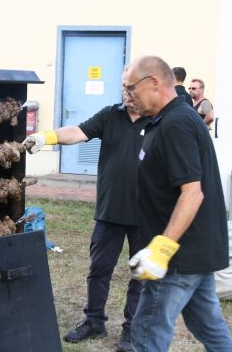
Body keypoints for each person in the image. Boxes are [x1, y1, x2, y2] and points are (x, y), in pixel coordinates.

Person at [22, 84, 150, 352]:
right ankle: (94, 321)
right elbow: (77, 132)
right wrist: (46, 137)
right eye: (124, 88)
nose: (126, 93)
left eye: (132, 88)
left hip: (146, 213)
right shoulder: (111, 115)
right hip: (110, 211)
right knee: (99, 269)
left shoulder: (159, 119)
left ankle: (133, 329)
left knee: (141, 274)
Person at [122, 56, 232, 352]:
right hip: (195, 250)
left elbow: (192, 193)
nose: (128, 96)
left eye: (131, 88)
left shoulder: (176, 124)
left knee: (147, 330)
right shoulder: (165, 120)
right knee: (207, 325)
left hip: (179, 255)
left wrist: (162, 250)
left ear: (153, 83)